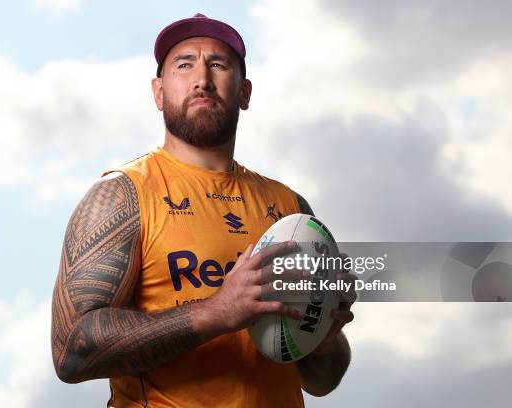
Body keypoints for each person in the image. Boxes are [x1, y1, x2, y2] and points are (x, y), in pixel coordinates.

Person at [51, 13, 356, 407]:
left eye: (218, 64)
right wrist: (216, 313)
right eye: (184, 64)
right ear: (158, 92)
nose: (202, 78)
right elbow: (70, 351)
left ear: (244, 92)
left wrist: (322, 339)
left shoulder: (290, 210)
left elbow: (321, 382)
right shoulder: (122, 196)